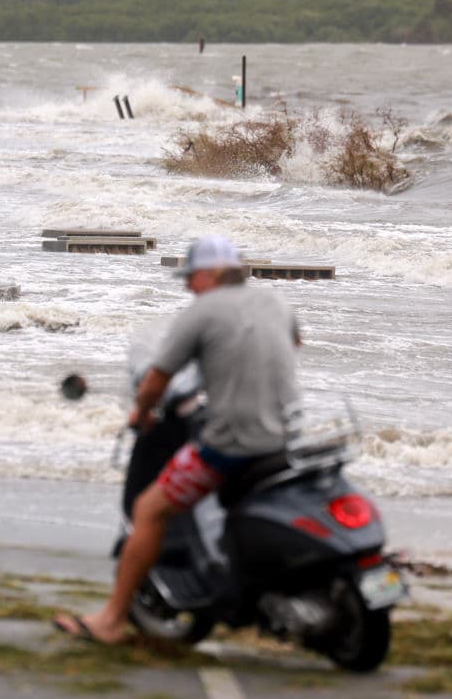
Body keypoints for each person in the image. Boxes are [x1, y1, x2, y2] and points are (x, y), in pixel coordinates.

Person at [53, 234, 302, 644]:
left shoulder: (201, 313)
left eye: (191, 276)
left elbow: (156, 380)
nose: (187, 285)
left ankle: (111, 620)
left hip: (230, 446)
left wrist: (142, 412)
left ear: (211, 274)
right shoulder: (274, 302)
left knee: (149, 509)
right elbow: (292, 344)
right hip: (285, 439)